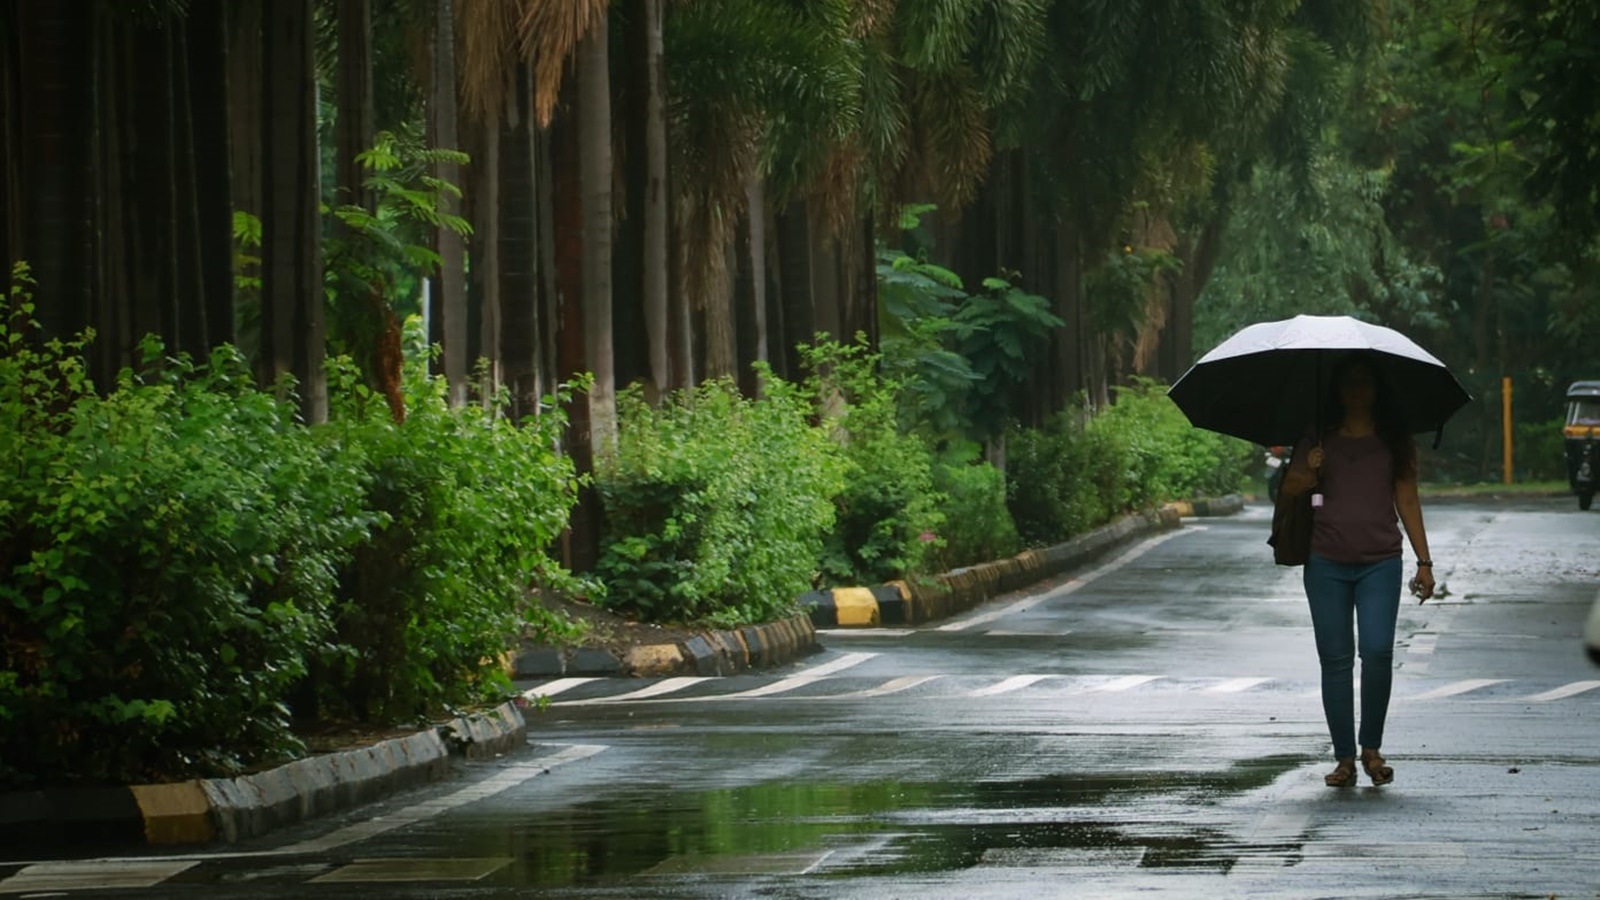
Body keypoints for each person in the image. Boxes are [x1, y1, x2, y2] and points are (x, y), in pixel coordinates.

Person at [1279, 352, 1435, 788]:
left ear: (1376, 390)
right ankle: (1344, 759)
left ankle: (1372, 749)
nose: (1356, 391)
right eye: (1348, 383)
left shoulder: (1394, 440)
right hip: (1326, 563)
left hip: (1380, 563)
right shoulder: (1318, 437)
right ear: (1338, 391)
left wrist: (1424, 562)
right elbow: (1290, 488)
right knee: (1335, 661)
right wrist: (1309, 469)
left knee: (1379, 651)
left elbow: (1407, 499)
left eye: (1364, 383)